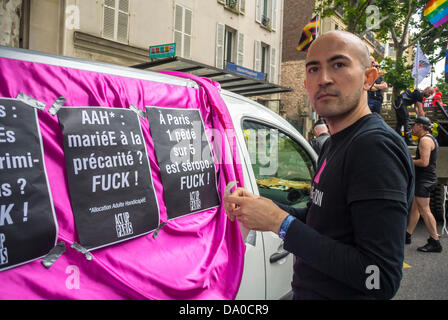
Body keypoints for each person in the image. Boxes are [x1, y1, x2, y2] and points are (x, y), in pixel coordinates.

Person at [224, 31, 415, 300]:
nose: (323, 78)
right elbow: (321, 220)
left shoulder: (373, 147)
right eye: (314, 69)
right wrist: (265, 207)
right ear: (306, 82)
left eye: (339, 64)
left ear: (369, 78)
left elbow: (379, 278)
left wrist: (281, 223)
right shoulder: (335, 142)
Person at [405, 116, 442, 252]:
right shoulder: (428, 138)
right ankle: (407, 235)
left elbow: (424, 162)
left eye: (413, 125)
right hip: (425, 178)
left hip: (424, 180)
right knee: (415, 207)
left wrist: (407, 161)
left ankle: (435, 242)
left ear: (421, 126)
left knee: (425, 210)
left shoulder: (425, 140)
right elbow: (421, 158)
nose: (411, 128)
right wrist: (408, 156)